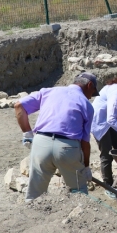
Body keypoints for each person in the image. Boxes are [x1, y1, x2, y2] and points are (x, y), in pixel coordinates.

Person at [15, 72, 99, 202]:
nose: (90, 97)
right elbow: (85, 142)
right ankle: (81, 218)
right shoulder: (86, 105)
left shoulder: (49, 91)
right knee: (79, 191)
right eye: (92, 92)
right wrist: (86, 167)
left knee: (35, 193)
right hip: (67, 148)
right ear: (89, 85)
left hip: (41, 144)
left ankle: (33, 214)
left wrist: (27, 133)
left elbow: (19, 105)